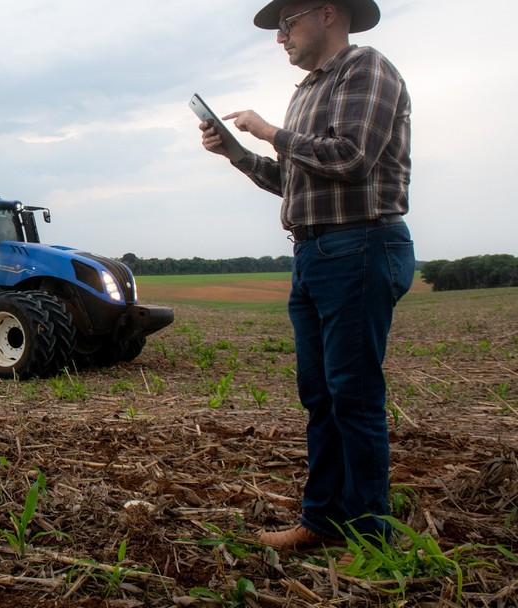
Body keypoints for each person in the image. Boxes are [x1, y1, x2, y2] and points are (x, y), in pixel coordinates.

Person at [198, 0, 415, 551]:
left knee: (354, 395)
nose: (279, 38)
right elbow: (295, 182)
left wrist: (270, 131)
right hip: (315, 253)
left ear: (325, 13)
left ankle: (370, 535)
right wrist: (238, 153)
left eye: (284, 23)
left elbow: (350, 158)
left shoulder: (367, 68)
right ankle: (322, 522)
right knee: (321, 395)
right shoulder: (308, 92)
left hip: (359, 247)